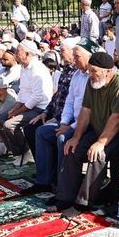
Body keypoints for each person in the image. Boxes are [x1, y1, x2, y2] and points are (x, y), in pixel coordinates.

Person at [52, 52, 119, 214]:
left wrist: (100, 143)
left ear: (108, 71)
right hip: (97, 130)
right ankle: (65, 198)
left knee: (97, 155)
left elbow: (117, 117)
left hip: (116, 134)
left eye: (94, 71)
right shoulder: (92, 81)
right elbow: (86, 110)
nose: (91, 74)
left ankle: (83, 203)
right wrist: (76, 137)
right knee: (72, 149)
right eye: (89, 70)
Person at [32, 37, 91, 192]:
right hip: (70, 121)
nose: (74, 59)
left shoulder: (92, 76)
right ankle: (44, 181)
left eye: (77, 56)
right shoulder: (77, 75)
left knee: (63, 138)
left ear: (88, 57)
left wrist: (70, 127)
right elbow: (69, 102)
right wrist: (64, 122)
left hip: (85, 125)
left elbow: (89, 112)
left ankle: (62, 186)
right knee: (41, 132)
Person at [0, 40, 54, 157]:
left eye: (18, 52)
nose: (15, 54)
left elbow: (37, 96)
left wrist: (17, 112)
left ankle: (25, 152)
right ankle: (16, 152)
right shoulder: (23, 67)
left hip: (40, 108)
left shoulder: (37, 69)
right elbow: (22, 91)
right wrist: (15, 108)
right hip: (27, 105)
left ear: (27, 54)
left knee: (9, 125)